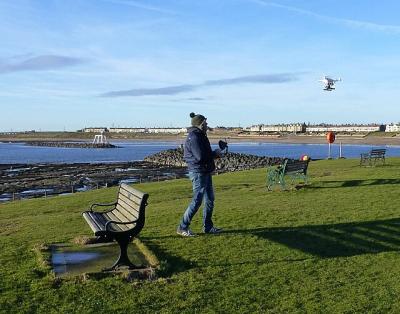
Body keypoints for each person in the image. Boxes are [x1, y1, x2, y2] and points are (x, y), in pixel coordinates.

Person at [177, 112, 224, 237]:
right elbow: (200, 157)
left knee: (210, 199)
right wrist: (215, 154)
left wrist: (214, 154)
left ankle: (208, 227)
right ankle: (182, 227)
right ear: (200, 124)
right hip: (198, 172)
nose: (207, 125)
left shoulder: (200, 135)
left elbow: (203, 155)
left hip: (204, 171)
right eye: (205, 123)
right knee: (197, 200)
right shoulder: (195, 137)